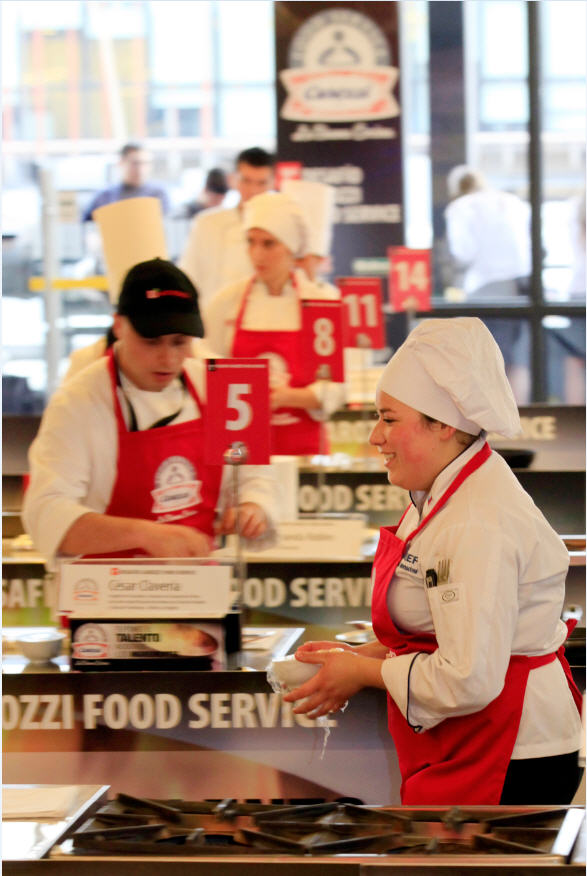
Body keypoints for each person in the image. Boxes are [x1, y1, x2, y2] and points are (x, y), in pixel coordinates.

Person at [283, 317, 582, 806]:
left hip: (510, 754)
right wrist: (354, 656)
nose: (375, 436)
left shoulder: (475, 520)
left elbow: (467, 677)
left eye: (389, 418)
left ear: (443, 425)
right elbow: (445, 631)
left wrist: (360, 673)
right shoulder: (443, 488)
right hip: (475, 742)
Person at [23, 258, 279, 564]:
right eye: (151, 341)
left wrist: (252, 506)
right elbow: (48, 514)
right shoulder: (77, 402)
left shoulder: (228, 385)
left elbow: (254, 472)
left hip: (200, 591)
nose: (168, 359)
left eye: (179, 342)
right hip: (105, 599)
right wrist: (144, 534)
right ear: (119, 326)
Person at [203, 191, 345, 457]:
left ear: (291, 249)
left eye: (268, 244)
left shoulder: (321, 302)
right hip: (242, 453)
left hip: (305, 452)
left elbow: (336, 387)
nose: (257, 254)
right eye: (251, 242)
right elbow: (207, 374)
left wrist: (285, 397)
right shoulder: (225, 303)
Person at [444, 166, 532, 403]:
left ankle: (494, 424)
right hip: (521, 288)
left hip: (485, 287)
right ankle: (520, 420)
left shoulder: (461, 207)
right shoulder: (512, 202)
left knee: (488, 361)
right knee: (518, 359)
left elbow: (463, 251)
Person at [179, 147, 274, 309]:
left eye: (261, 183)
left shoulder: (281, 229)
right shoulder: (207, 223)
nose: (253, 190)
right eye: (246, 181)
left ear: (274, 182)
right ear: (233, 179)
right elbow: (188, 276)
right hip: (211, 321)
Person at [82, 143, 170, 221]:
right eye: (135, 163)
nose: (141, 169)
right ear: (121, 163)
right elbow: (86, 225)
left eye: (146, 163)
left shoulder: (158, 194)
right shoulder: (105, 197)